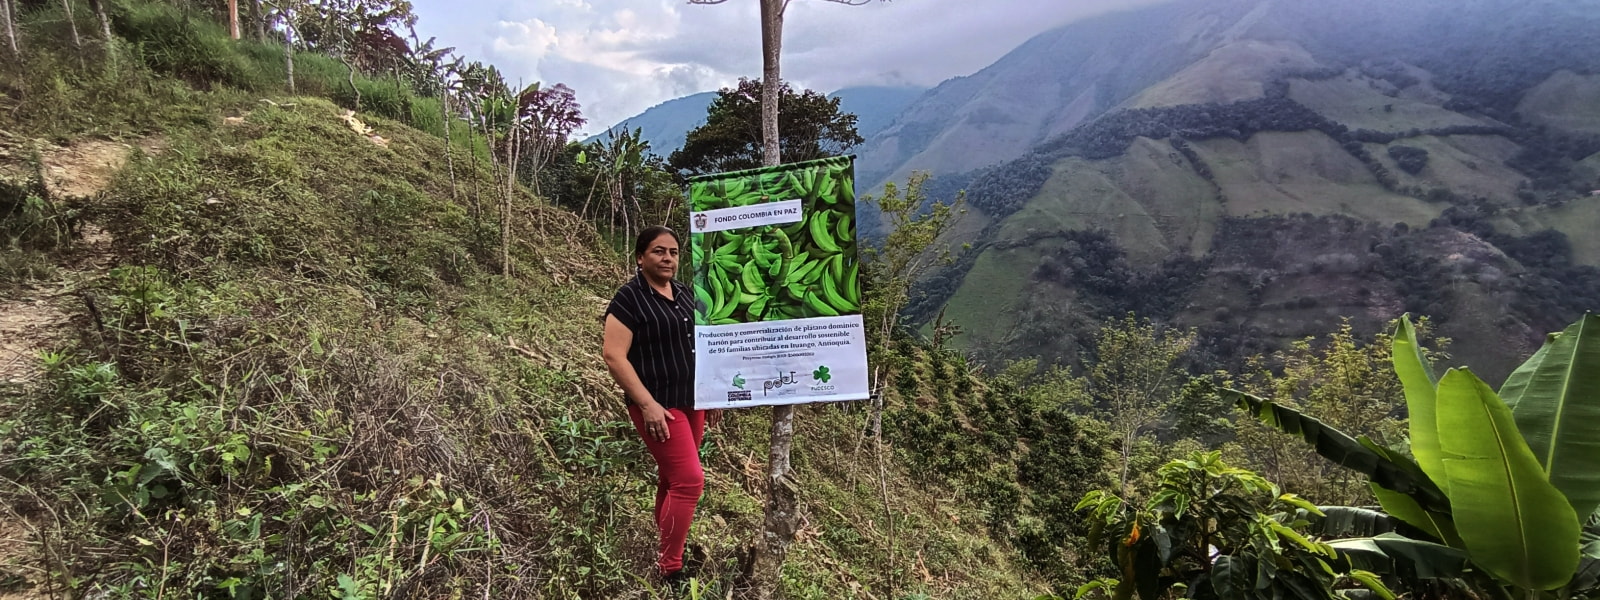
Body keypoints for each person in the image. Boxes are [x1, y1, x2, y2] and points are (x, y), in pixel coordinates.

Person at [601, 226, 721, 582]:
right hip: (658, 405)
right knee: (690, 481)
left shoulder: (685, 294)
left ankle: (667, 547)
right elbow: (613, 355)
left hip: (692, 400)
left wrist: (711, 393)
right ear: (641, 257)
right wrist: (647, 404)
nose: (667, 258)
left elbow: (702, 345)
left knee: (672, 481)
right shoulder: (629, 299)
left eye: (672, 252)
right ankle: (670, 568)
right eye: (658, 251)